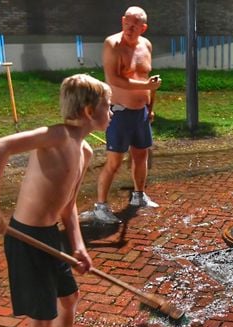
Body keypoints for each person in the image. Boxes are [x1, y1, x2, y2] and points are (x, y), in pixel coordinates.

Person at [0, 74, 111, 327]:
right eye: (107, 106)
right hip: (26, 239)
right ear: (88, 111)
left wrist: (79, 245)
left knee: (68, 300)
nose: (111, 112)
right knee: (41, 321)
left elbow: (68, 203)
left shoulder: (85, 149)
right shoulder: (55, 135)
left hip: (51, 239)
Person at [92, 6, 162, 224]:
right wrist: (145, 85)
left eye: (135, 25)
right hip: (120, 113)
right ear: (122, 21)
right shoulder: (112, 44)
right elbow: (114, 79)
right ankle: (100, 206)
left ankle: (138, 196)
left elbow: (148, 80)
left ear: (143, 27)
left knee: (141, 156)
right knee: (114, 162)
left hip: (140, 113)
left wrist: (150, 108)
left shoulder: (146, 45)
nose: (130, 28)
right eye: (127, 23)